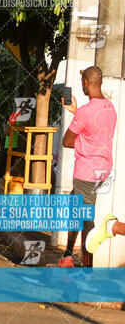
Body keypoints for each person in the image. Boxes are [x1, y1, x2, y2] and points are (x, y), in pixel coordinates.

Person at [60, 65, 117, 267]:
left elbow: (67, 141)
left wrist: (77, 114)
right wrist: (76, 111)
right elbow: (94, 132)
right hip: (104, 170)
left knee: (86, 219)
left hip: (86, 170)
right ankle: (67, 254)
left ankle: (87, 266)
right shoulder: (109, 108)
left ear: (85, 83)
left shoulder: (84, 113)